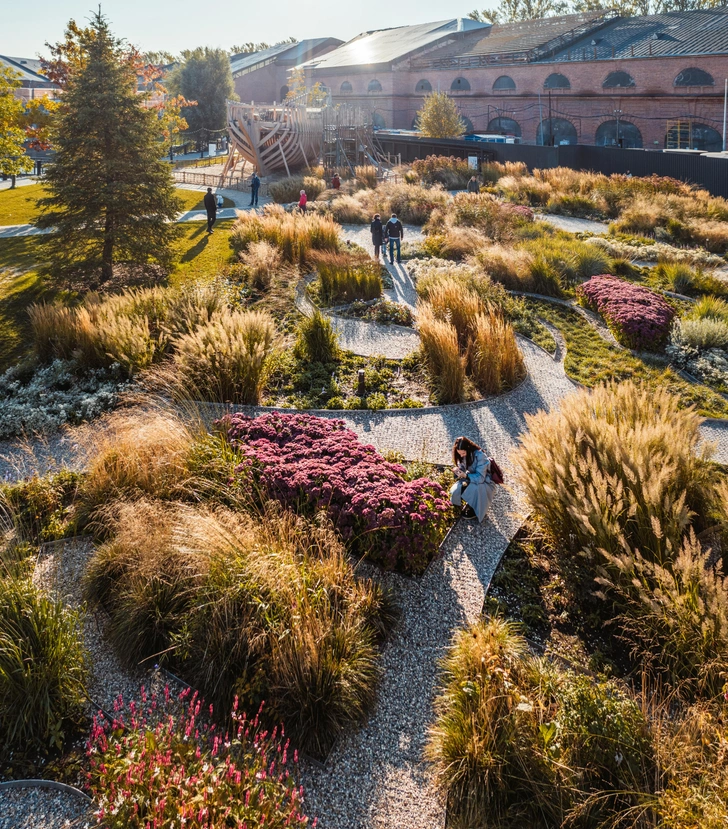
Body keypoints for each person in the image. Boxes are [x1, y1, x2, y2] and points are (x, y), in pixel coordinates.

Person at [449, 436, 496, 523]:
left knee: (474, 489)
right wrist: (458, 470)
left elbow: (481, 478)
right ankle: (465, 504)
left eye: (463, 453)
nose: (461, 456)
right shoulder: (463, 454)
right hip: (472, 478)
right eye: (459, 454)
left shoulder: (480, 456)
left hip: (485, 482)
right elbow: (463, 467)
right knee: (456, 490)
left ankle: (474, 507)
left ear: (468, 448)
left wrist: (466, 476)